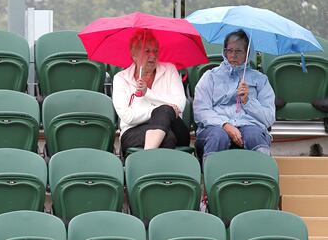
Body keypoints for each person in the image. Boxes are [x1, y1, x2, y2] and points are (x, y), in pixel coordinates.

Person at [193, 30, 275, 163]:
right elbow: (200, 111)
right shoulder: (210, 76)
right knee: (218, 136)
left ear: (248, 53)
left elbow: (269, 118)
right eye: (229, 50)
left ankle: (262, 178)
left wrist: (248, 101)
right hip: (216, 127)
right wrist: (224, 125)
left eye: (238, 51)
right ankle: (212, 178)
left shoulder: (260, 79)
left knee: (254, 135)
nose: (233, 55)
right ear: (224, 51)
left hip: (249, 125)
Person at [113, 30, 189, 153]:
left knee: (165, 112)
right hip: (134, 131)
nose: (153, 56)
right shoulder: (121, 78)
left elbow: (179, 105)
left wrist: (147, 93)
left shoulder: (170, 70)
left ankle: (145, 160)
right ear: (134, 55)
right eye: (147, 51)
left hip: (175, 127)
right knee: (167, 137)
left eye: (155, 51)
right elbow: (128, 117)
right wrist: (160, 112)